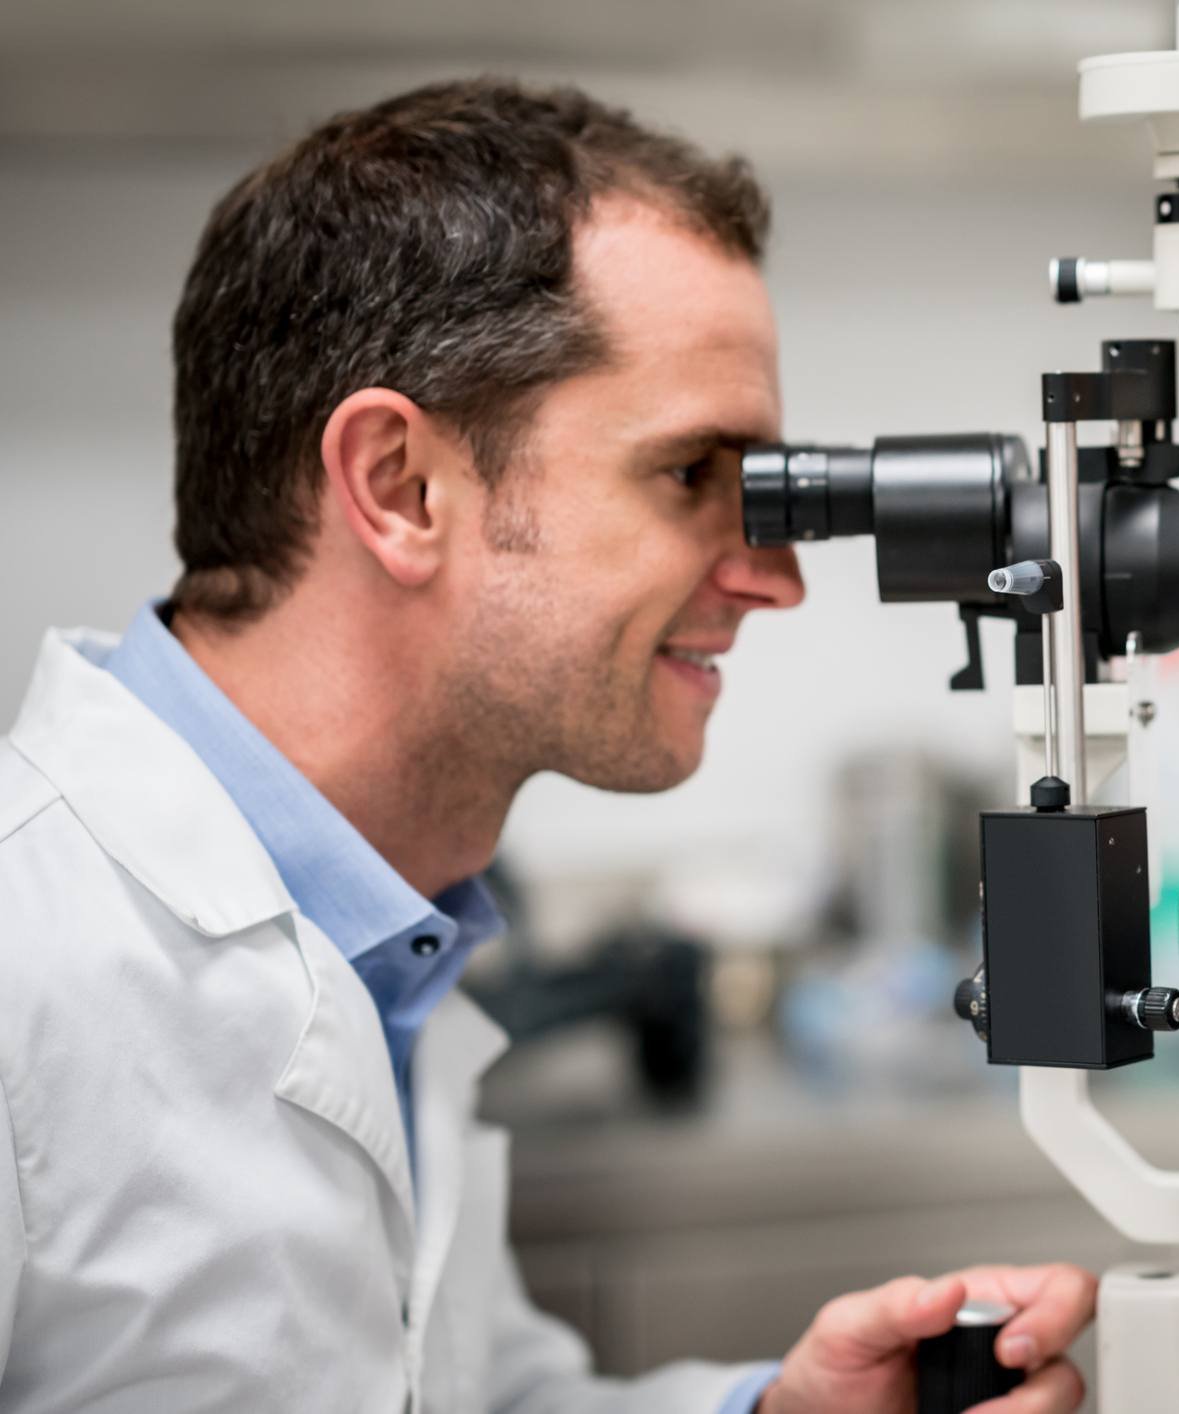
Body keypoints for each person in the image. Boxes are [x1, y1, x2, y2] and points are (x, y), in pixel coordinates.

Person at [0, 80, 1091, 1413]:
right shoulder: (30, 956)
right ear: (402, 488)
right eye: (695, 474)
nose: (778, 579)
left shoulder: (392, 938)